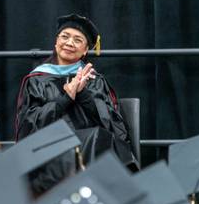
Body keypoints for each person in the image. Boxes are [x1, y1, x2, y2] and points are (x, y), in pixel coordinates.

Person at [14, 13, 137, 168]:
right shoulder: (36, 80)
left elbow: (113, 128)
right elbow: (27, 126)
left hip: (89, 148)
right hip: (48, 149)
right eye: (65, 36)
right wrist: (65, 99)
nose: (69, 43)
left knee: (97, 137)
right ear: (56, 42)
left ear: (85, 50)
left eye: (78, 40)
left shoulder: (94, 81)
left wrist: (83, 94)